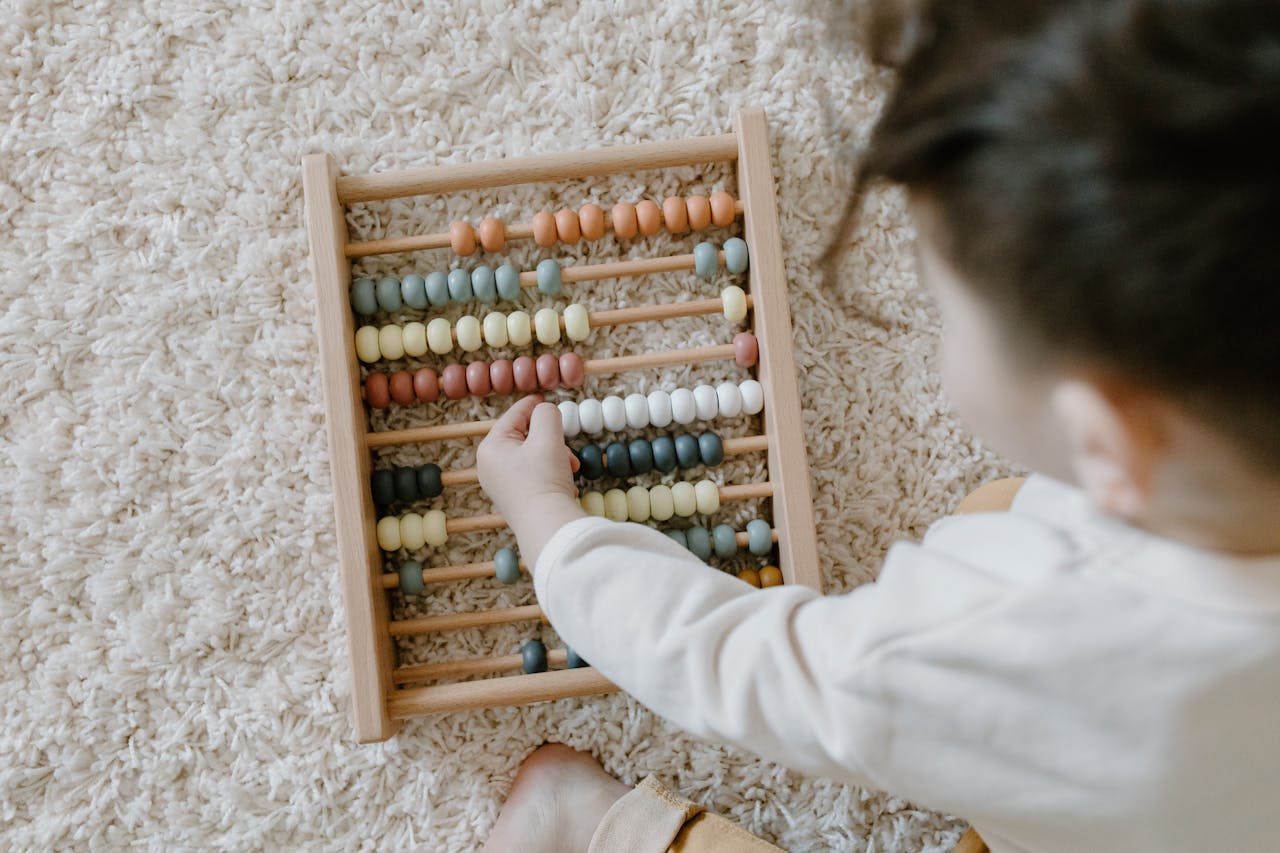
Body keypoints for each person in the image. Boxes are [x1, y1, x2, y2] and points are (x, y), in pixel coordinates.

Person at [478, 0, 1280, 850]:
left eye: (952, 313)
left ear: (1108, 439)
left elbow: (728, 660)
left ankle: (608, 828)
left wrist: (551, 530)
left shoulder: (986, 640)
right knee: (1000, 513)